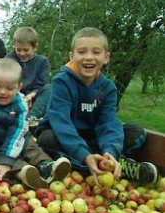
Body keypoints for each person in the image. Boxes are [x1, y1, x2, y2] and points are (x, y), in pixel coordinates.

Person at [36, 27, 158, 186]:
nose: (88, 57)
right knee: (46, 139)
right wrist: (84, 154)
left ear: (106, 57)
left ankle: (107, 161)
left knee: (137, 133)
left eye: (96, 52)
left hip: (93, 137)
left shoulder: (107, 88)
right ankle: (99, 164)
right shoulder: (62, 82)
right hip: (65, 135)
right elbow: (60, 121)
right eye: (82, 52)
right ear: (72, 56)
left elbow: (107, 123)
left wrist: (110, 151)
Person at [0, 58, 71, 189]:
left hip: (18, 138)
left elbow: (17, 133)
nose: (2, 92)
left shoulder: (20, 105)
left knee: (31, 147)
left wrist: (7, 159)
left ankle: (46, 166)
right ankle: (24, 173)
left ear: (19, 88)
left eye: (9, 88)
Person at [5, 27, 51, 126]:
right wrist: (20, 97)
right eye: (18, 50)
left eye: (26, 50)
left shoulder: (42, 61)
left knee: (49, 88)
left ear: (35, 48)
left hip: (33, 98)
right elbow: (6, 82)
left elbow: (41, 84)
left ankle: (31, 118)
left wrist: (31, 95)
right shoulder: (8, 59)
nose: (22, 53)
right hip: (13, 96)